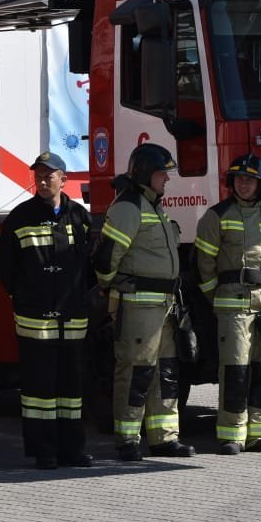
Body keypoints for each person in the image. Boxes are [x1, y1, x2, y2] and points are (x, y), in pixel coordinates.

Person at [93, 142, 195, 461]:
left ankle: (164, 438)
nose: (167, 179)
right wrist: (112, 289)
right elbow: (107, 259)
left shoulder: (153, 206)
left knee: (165, 372)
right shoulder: (128, 207)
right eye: (162, 173)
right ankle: (127, 439)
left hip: (164, 306)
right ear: (145, 173)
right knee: (136, 372)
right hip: (138, 305)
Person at [0, 151, 96, 469]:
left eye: (48, 176)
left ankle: (72, 449)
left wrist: (80, 297)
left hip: (72, 318)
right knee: (39, 390)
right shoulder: (20, 218)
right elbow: (7, 269)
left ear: (63, 180)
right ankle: (44, 451)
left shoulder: (80, 217)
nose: (41, 182)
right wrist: (26, 297)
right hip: (35, 319)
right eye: (38, 176)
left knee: (71, 389)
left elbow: (90, 266)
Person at [194, 153, 261, 455]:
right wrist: (217, 297)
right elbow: (204, 264)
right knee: (235, 369)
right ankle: (232, 434)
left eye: (250, 180)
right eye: (239, 179)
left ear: (260, 184)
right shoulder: (217, 216)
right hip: (233, 306)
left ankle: (260, 434)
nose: (244, 184)